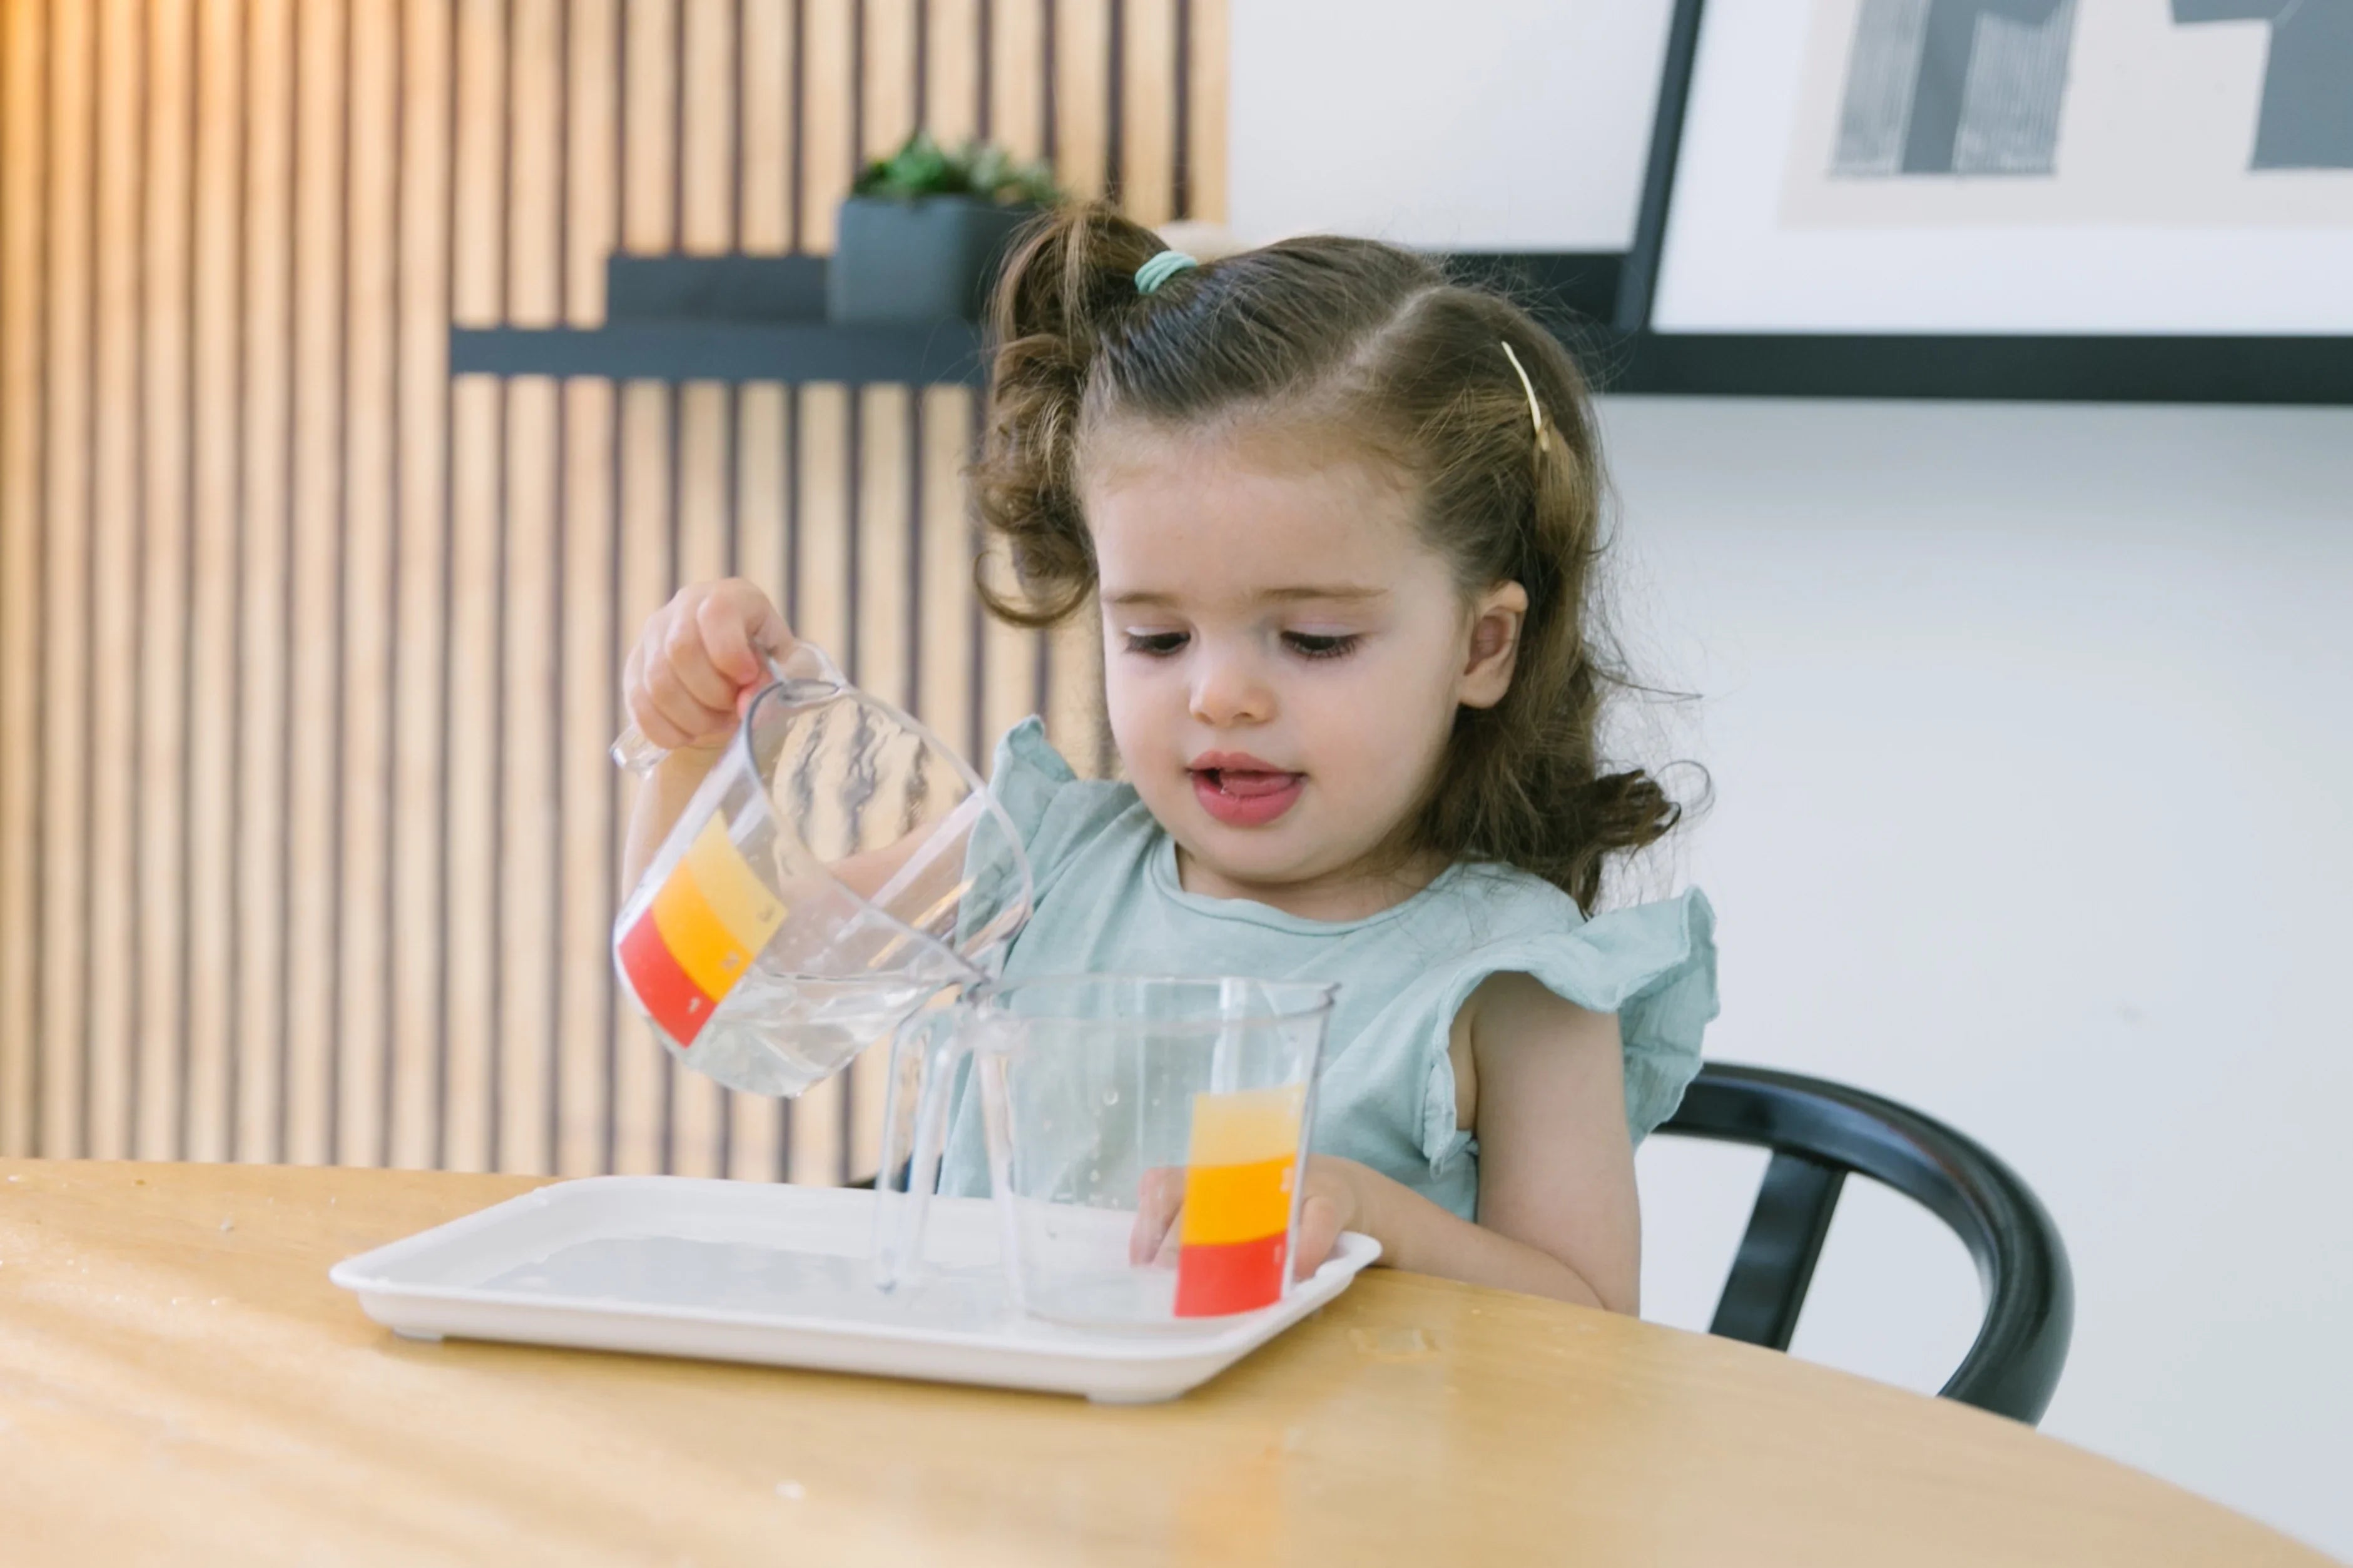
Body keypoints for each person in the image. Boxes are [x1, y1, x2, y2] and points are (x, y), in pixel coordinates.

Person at [619, 205, 1717, 1313]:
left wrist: (1372, 1215)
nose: (1220, 696)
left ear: (1482, 645)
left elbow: (1592, 1333)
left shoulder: (1510, 975)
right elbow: (710, 984)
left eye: (1314, 640)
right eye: (1154, 638)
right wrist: (700, 752)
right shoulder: (1037, 864)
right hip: (1006, 1464)